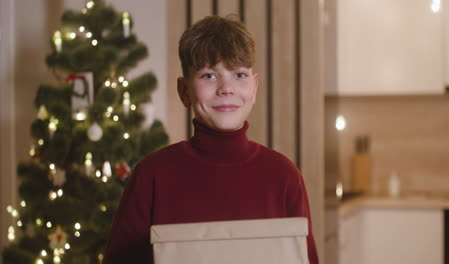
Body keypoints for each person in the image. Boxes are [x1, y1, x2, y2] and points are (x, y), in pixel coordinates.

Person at [103, 15, 319, 264]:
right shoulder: (151, 176)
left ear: (255, 87)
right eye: (209, 75)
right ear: (184, 91)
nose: (226, 88)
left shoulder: (284, 176)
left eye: (239, 75)